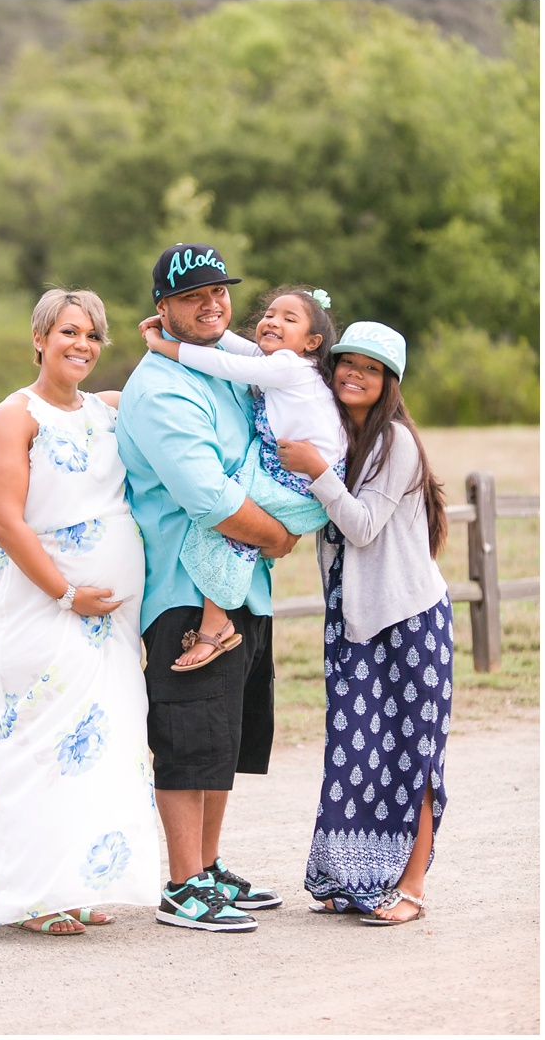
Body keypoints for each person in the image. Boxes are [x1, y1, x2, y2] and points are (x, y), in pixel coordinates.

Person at [0, 288, 161, 936]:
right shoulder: (15, 416)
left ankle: (77, 880)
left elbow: (171, 391)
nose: (82, 345)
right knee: (41, 743)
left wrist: (171, 341)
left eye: (94, 335)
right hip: (44, 609)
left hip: (112, 624)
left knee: (102, 745)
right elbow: (2, 519)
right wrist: (66, 594)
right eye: (69, 331)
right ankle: (33, 895)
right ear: (40, 338)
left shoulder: (107, 412)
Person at [116, 243, 299, 932]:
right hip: (186, 594)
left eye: (219, 291)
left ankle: (211, 866)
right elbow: (209, 498)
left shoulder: (228, 363)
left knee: (225, 739)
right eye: (193, 296)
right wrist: (280, 537)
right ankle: (182, 884)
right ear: (162, 307)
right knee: (189, 737)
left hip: (243, 588)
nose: (211, 304)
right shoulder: (161, 388)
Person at [276, 321, 452, 926]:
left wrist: (315, 471)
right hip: (352, 620)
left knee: (414, 754)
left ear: (389, 383)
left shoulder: (396, 442)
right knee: (356, 751)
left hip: (409, 619)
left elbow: (362, 526)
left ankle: (411, 888)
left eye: (371, 369)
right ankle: (348, 878)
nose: (354, 374)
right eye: (347, 362)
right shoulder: (337, 433)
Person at [140, 285, 346, 671]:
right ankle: (225, 607)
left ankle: (216, 623)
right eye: (270, 313)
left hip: (302, 485)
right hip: (289, 474)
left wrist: (160, 344)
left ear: (312, 342)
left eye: (289, 318)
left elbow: (222, 364)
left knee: (228, 514)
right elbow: (230, 346)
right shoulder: (283, 363)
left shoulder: (288, 367)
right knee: (235, 514)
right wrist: (190, 327)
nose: (272, 321)